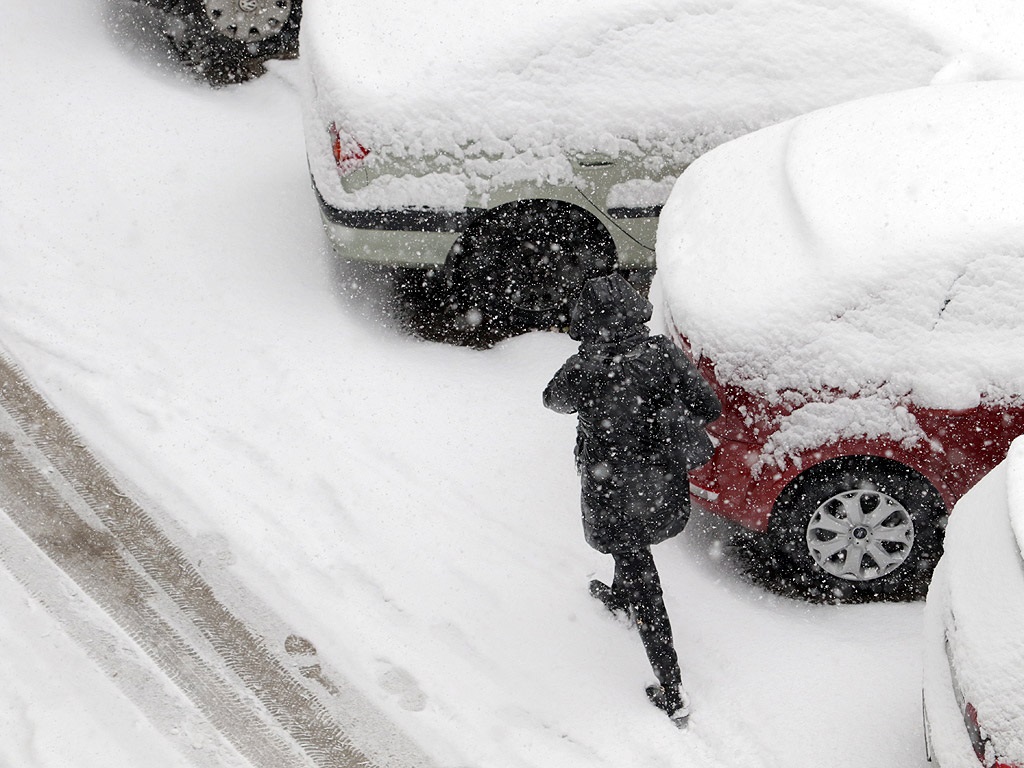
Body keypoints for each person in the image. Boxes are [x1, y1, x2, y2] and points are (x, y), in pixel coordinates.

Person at [543, 273, 721, 725]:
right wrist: (662, 413)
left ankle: (672, 688)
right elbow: (707, 406)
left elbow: (553, 400)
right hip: (661, 485)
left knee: (643, 579)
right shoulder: (661, 353)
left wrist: (591, 363)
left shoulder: (586, 370)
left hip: (614, 494)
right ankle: (622, 596)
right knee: (634, 554)